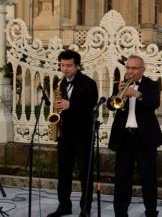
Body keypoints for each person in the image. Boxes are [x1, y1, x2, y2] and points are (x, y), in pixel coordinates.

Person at [108, 55, 162, 217]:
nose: (130, 71)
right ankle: (120, 212)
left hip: (144, 137)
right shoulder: (120, 84)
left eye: (134, 68)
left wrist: (137, 94)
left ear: (142, 69)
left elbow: (154, 103)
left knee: (149, 178)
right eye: (128, 68)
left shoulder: (152, 85)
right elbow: (112, 107)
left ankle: (151, 212)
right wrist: (118, 93)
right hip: (124, 137)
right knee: (122, 178)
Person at [48, 50, 98, 217]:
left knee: (85, 172)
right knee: (63, 172)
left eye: (69, 65)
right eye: (62, 65)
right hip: (65, 134)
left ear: (77, 65)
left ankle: (85, 208)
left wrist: (71, 105)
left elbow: (91, 109)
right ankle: (64, 206)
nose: (65, 69)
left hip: (83, 135)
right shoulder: (61, 83)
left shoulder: (89, 84)